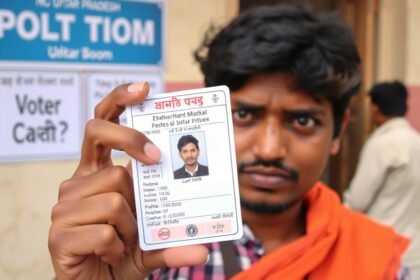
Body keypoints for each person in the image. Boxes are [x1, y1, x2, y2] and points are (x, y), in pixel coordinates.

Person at [48, 4, 410, 279]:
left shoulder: (382, 259)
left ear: (338, 130)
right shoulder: (149, 250)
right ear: (208, 114)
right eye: (243, 116)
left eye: (302, 120)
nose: (269, 149)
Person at [344, 81, 420, 278]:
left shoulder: (381, 144)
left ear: (375, 109)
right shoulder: (416, 142)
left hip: (383, 250)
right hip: (414, 253)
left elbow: (357, 201)